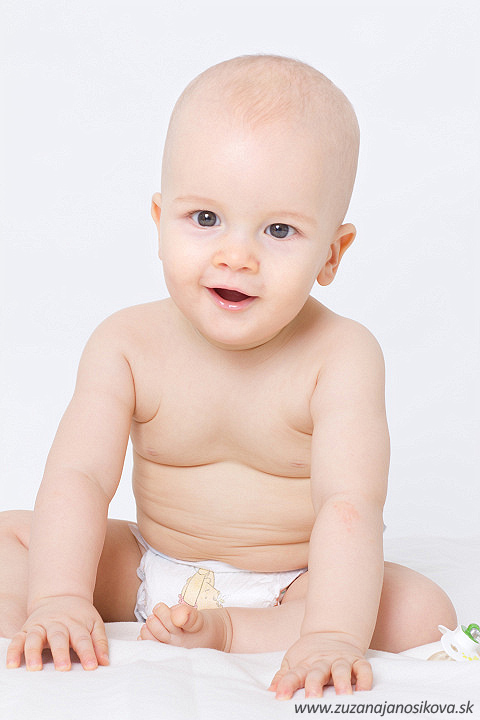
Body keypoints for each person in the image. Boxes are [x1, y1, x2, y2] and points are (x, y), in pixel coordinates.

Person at [0, 54, 456, 700]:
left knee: (422, 608)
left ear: (331, 254)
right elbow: (80, 478)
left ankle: (235, 631)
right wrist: (59, 596)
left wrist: (332, 632)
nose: (236, 256)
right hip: (147, 568)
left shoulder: (342, 356)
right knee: (14, 536)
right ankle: (47, 620)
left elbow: (348, 505)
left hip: (293, 585)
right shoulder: (125, 343)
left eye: (279, 230)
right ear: (160, 221)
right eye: (206, 219)